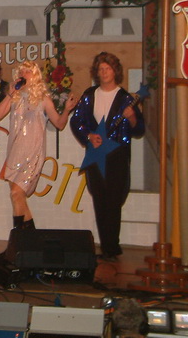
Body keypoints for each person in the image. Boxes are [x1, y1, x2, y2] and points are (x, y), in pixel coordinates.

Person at [69, 52, 144, 261]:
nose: (104, 73)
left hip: (117, 156)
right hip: (95, 154)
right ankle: (106, 247)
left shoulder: (125, 98)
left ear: (115, 71)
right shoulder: (89, 95)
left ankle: (112, 247)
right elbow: (76, 121)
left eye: (108, 69)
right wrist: (88, 136)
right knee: (99, 199)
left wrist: (132, 118)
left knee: (113, 200)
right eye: (101, 69)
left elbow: (139, 129)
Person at [0, 61, 77, 231]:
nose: (23, 75)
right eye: (21, 72)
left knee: (16, 193)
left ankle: (18, 238)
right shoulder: (15, 97)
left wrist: (67, 110)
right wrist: (10, 95)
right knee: (17, 198)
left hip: (33, 153)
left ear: (35, 76)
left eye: (28, 72)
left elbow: (59, 124)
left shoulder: (43, 99)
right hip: (15, 152)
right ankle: (29, 238)